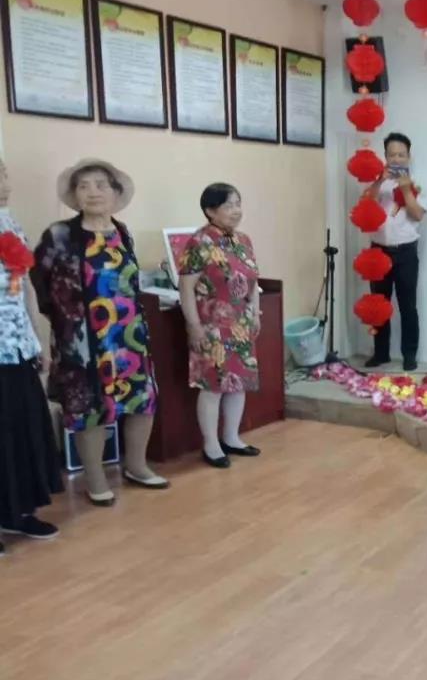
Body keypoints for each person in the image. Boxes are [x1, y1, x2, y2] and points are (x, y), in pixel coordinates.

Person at [32, 159, 169, 506]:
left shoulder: (122, 231)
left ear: (115, 193)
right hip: (82, 340)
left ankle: (136, 466)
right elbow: (39, 280)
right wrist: (65, 320)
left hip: (128, 335)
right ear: (75, 196)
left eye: (100, 185)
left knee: (142, 399)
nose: (93, 192)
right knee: (89, 407)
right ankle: (94, 479)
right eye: (84, 186)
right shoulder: (59, 235)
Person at [0, 156, 63, 554]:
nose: (4, 183)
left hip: (15, 344)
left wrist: (37, 340)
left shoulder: (9, 222)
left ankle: (17, 511)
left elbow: (22, 287)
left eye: (3, 174)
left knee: (21, 427)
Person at [179, 183, 262, 469]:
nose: (236, 210)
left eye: (238, 204)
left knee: (238, 383)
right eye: (228, 205)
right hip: (212, 324)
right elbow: (185, 287)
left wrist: (255, 312)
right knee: (213, 385)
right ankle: (211, 445)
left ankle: (232, 437)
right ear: (210, 211)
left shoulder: (243, 240)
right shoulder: (199, 242)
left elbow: (252, 279)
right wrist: (193, 326)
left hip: (241, 322)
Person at [365, 132, 427, 373]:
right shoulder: (378, 184)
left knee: (407, 306)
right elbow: (365, 204)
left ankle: (409, 355)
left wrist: (406, 189)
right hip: (378, 252)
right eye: (392, 155)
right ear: (386, 156)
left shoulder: (417, 185)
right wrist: (379, 181)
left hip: (406, 253)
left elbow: (417, 214)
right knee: (378, 306)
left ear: (408, 157)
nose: (397, 159)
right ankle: (380, 354)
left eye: (401, 154)